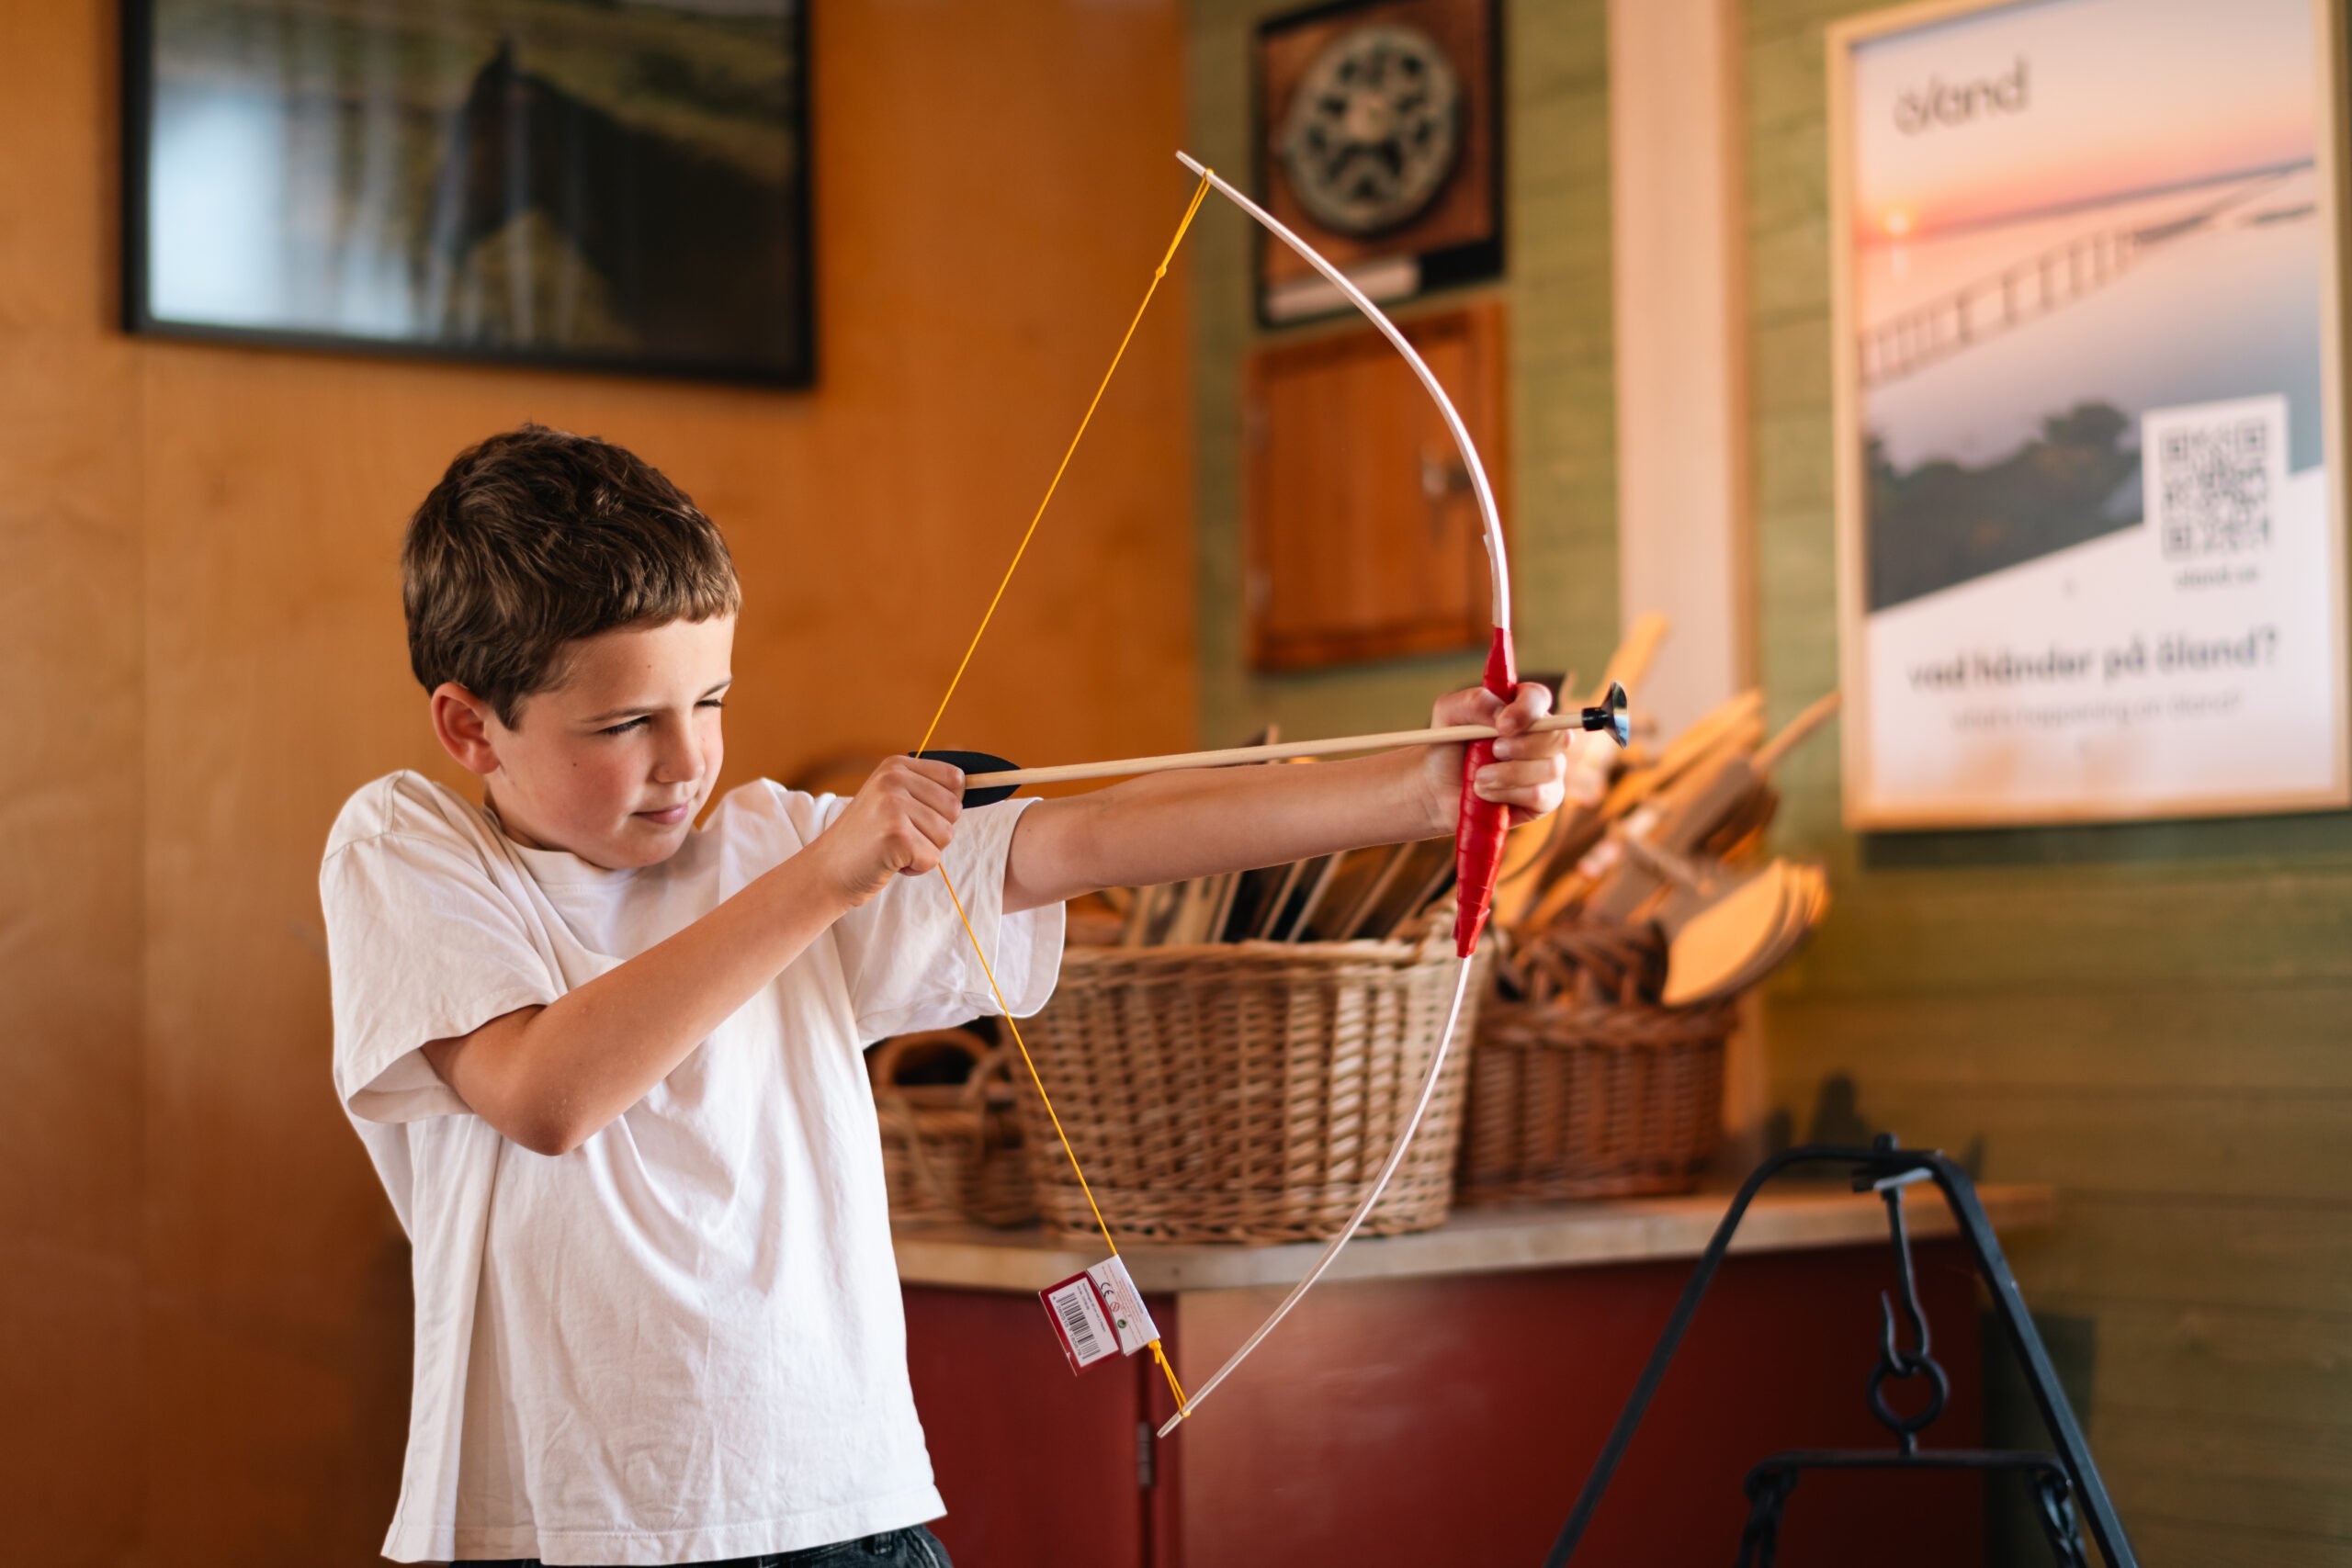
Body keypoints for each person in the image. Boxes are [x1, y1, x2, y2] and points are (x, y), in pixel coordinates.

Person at [322, 423, 1571, 1566]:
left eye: (710, 701)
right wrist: (826, 878)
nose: (688, 759)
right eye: (624, 724)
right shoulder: (410, 848)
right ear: (471, 728)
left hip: (844, 1508)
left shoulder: (767, 846)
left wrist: (1416, 795)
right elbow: (547, 1092)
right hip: (559, 1530)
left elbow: (1081, 842)